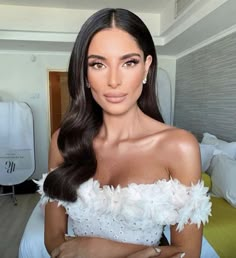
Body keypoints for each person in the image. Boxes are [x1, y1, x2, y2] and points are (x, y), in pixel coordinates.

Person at [36, 8, 211, 258]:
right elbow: (53, 238)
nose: (114, 80)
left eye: (129, 62)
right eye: (98, 64)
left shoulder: (179, 147)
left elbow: (188, 254)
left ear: (146, 68)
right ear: (85, 75)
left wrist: (101, 249)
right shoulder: (63, 142)